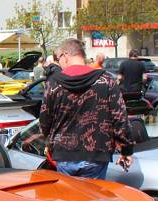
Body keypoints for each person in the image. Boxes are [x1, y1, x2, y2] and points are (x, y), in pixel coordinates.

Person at [40, 38, 133, 179]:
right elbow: (119, 118)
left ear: (65, 56)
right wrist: (126, 150)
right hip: (96, 154)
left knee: (68, 199)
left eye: (58, 59)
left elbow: (45, 120)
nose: (58, 63)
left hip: (64, 154)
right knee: (92, 199)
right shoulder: (106, 80)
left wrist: (49, 142)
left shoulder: (53, 84)